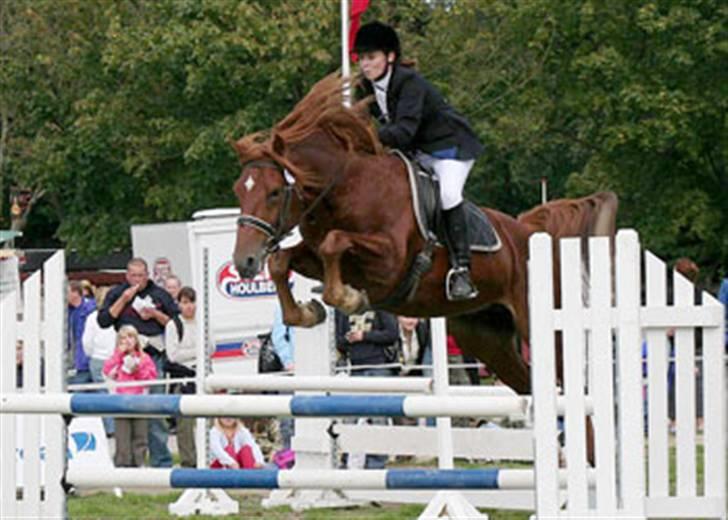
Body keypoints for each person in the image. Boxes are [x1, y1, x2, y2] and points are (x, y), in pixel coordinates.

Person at [353, 21, 484, 301]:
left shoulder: (409, 83)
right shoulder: (364, 88)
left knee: (448, 194)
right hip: (416, 151)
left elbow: (403, 131)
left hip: (450, 148)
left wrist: (366, 135)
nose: (365, 64)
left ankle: (462, 270)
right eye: (362, 58)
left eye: (371, 57)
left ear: (390, 57)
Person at [98, 257, 177, 468]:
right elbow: (104, 321)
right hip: (125, 360)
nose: (137, 280)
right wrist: (124, 300)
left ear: (147, 275)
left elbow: (175, 323)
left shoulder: (159, 295)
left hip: (152, 356)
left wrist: (154, 314)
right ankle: (128, 461)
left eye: (141, 275)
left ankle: (161, 461)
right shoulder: (117, 293)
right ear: (126, 275)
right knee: (126, 412)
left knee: (156, 410)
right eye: (133, 275)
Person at [336, 309, 399, 469]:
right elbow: (339, 340)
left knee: (379, 418)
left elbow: (392, 334)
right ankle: (346, 459)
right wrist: (348, 339)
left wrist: (364, 336)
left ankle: (376, 463)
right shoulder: (342, 310)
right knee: (351, 417)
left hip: (379, 365)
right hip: (356, 367)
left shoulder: (380, 305)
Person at [103, 325, 157, 467]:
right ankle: (122, 464)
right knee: (122, 437)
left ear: (136, 339)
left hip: (140, 401)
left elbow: (151, 379)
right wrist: (118, 355)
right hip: (121, 403)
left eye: (130, 337)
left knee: (140, 436)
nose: (127, 341)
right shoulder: (116, 358)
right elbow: (107, 370)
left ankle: (139, 463)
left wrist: (137, 370)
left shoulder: (145, 358)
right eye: (122, 338)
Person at [164, 286, 198, 468]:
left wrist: (194, 353)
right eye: (185, 302)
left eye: (192, 302)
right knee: (184, 425)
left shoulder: (203, 321)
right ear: (179, 304)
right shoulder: (173, 325)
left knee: (206, 421)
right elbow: (173, 355)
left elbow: (211, 348)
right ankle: (189, 461)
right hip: (182, 378)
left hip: (202, 375)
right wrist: (196, 351)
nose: (189, 307)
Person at [82, 286, 117, 437]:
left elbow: (87, 342)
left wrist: (92, 354)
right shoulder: (118, 316)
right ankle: (116, 427)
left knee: (103, 394)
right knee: (116, 393)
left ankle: (109, 428)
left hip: (98, 358)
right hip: (115, 358)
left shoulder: (92, 318)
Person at [271, 305, 295, 451]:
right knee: (287, 420)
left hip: (316, 368)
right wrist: (288, 361)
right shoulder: (284, 303)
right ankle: (288, 455)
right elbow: (278, 336)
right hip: (292, 370)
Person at [67, 281, 96, 386]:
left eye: (67, 292)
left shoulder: (90, 309)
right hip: (75, 361)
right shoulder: (69, 311)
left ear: (75, 293)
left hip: (87, 359)